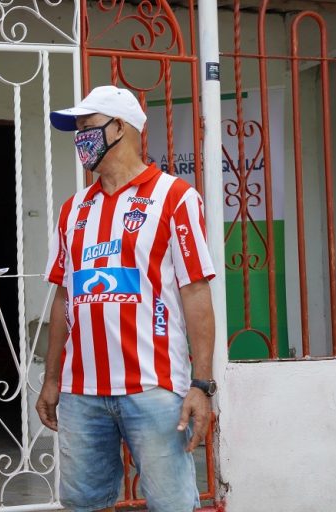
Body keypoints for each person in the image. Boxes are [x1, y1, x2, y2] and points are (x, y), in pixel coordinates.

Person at [36, 85, 217, 512]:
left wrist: (202, 385)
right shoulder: (74, 209)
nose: (80, 138)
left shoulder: (175, 198)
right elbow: (65, 296)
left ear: (121, 127)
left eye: (88, 127)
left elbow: (195, 292)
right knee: (83, 503)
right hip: (82, 393)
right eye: (76, 130)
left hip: (153, 388)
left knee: (170, 504)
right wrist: (51, 376)